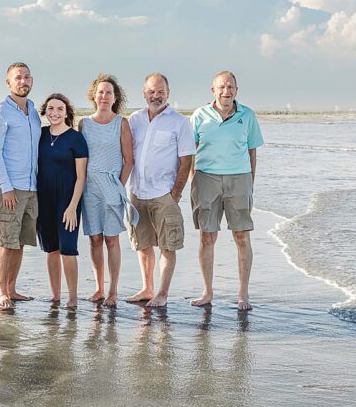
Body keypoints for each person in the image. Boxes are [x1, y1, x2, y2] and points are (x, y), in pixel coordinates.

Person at [190, 70, 264, 311]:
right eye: (222, 87)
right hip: (206, 179)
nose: (226, 91)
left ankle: (243, 294)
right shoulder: (200, 115)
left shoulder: (247, 115)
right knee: (207, 236)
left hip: (239, 179)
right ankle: (207, 291)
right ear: (213, 90)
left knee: (241, 236)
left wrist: (249, 180)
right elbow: (189, 150)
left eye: (230, 87)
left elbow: (252, 150)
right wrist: (193, 179)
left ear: (236, 90)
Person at [127, 73, 195, 307]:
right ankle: (147, 288)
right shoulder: (133, 120)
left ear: (168, 93)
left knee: (168, 245)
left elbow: (186, 161)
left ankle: (163, 294)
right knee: (143, 244)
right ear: (144, 93)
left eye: (160, 92)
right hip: (137, 192)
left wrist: (175, 194)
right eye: (152, 92)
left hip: (164, 194)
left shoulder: (180, 122)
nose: (156, 96)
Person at [0, 62, 42, 312]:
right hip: (9, 187)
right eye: (18, 78)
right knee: (6, 241)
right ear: (8, 83)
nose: (24, 81)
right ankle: (1, 293)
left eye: (27, 77)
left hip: (31, 187)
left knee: (20, 242)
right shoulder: (0, 113)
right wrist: (6, 188)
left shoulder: (32, 110)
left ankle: (12, 289)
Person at [79, 75, 134, 306]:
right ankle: (99, 288)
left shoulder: (121, 123)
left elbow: (128, 159)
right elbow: (79, 159)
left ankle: (113, 290)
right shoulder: (84, 123)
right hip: (89, 189)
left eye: (108, 92)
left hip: (112, 187)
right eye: (100, 92)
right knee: (94, 239)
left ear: (115, 97)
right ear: (94, 95)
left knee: (112, 240)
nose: (104, 96)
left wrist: (119, 187)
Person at [36, 93, 89, 309]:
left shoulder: (76, 138)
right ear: (45, 111)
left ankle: (73, 296)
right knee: (51, 249)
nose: (54, 113)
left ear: (67, 112)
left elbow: (81, 176)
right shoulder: (40, 134)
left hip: (68, 200)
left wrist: (73, 207)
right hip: (44, 198)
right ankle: (56, 296)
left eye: (59, 109)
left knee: (68, 249)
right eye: (50, 108)